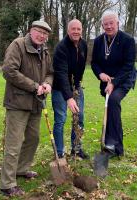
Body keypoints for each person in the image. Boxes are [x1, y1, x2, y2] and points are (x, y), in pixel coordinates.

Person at [0, 20, 53, 197]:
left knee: (33, 139)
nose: (42, 35)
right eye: (39, 31)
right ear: (31, 31)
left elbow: (50, 73)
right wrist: (34, 86)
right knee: (13, 144)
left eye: (45, 34)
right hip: (17, 103)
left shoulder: (44, 50)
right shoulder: (18, 45)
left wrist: (46, 84)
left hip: (36, 103)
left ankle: (22, 169)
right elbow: (9, 71)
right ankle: (7, 183)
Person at [91, 11, 136, 158]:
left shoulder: (128, 40)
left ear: (117, 23)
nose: (109, 26)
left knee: (114, 100)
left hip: (123, 79)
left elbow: (128, 65)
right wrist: (100, 74)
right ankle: (110, 145)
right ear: (102, 25)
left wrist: (115, 83)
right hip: (106, 82)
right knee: (110, 108)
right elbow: (94, 63)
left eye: (111, 23)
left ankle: (117, 146)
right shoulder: (98, 41)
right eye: (106, 24)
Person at [52, 19, 89, 159]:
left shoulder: (84, 45)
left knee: (79, 118)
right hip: (59, 88)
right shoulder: (61, 48)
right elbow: (61, 74)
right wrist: (69, 97)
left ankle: (76, 149)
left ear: (82, 30)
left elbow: (81, 68)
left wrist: (77, 87)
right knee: (60, 119)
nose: (76, 31)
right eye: (73, 29)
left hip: (76, 86)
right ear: (68, 31)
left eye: (78, 29)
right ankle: (59, 153)